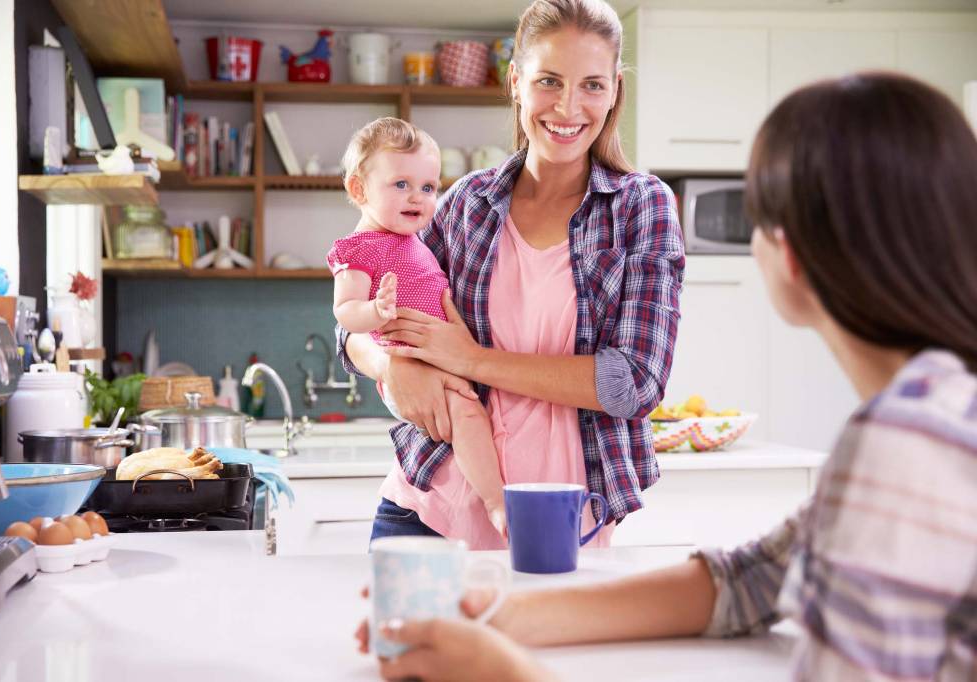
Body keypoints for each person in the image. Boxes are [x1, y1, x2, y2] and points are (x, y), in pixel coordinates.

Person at [359, 72, 977, 681]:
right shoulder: (938, 418)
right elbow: (749, 581)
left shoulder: (907, 449)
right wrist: (497, 617)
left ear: (785, 255)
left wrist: (502, 671)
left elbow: (634, 381)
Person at [337, 0, 684, 551]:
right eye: (549, 80)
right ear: (516, 82)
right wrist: (391, 366)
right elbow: (351, 327)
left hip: (560, 517)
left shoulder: (642, 207)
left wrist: (469, 360)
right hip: (429, 509)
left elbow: (634, 381)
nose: (568, 106)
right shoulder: (467, 203)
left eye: (592, 84)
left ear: (615, 89)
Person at [327, 117, 509, 538]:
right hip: (409, 360)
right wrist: (376, 310)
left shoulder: (416, 238)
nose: (418, 197)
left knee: (469, 410)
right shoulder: (355, 249)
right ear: (359, 190)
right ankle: (496, 501)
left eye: (428, 187)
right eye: (401, 185)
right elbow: (345, 311)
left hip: (433, 355)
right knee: (466, 412)